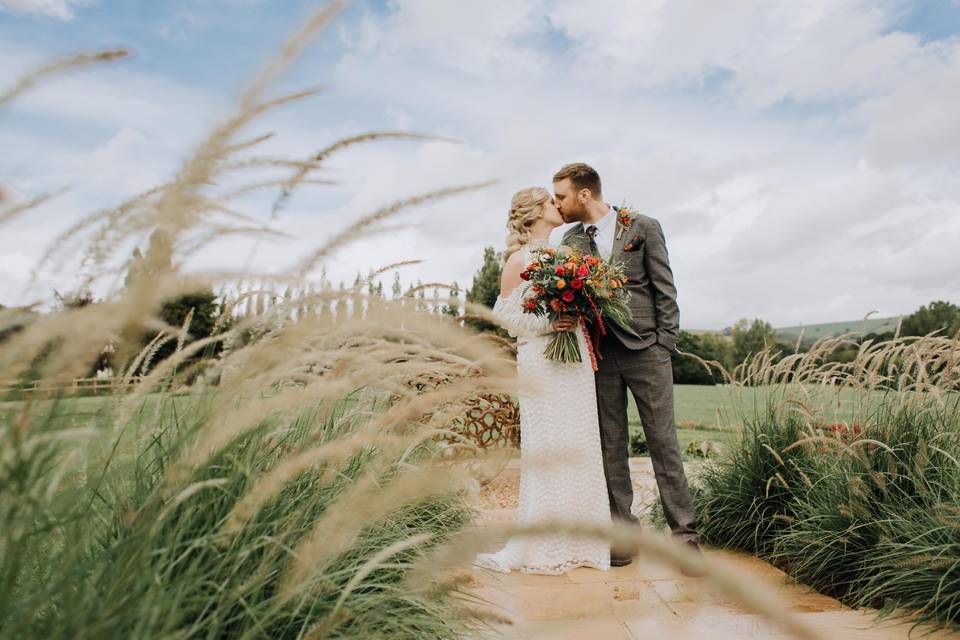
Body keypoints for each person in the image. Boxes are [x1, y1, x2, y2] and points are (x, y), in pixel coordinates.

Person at [554, 162, 700, 567]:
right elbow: (569, 295)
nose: (559, 204)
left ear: (585, 194)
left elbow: (665, 289)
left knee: (664, 445)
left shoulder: (643, 227)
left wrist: (664, 345)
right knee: (610, 448)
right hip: (600, 357)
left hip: (647, 353)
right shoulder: (569, 239)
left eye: (562, 196)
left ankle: (684, 538)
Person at [473, 187, 611, 575]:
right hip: (541, 361)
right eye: (552, 202)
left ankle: (583, 542)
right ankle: (547, 544)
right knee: (549, 448)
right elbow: (508, 319)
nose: (559, 205)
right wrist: (553, 322)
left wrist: (580, 310)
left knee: (580, 443)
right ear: (534, 212)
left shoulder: (566, 256)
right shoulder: (518, 260)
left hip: (576, 360)